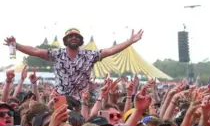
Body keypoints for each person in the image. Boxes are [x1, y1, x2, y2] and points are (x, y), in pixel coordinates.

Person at [4, 28, 144, 101]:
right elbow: (34, 51)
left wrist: (130, 41)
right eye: (70, 36)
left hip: (82, 101)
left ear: (80, 40)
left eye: (76, 36)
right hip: (59, 99)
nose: (73, 38)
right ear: (65, 41)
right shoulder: (57, 54)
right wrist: (16, 45)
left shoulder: (89, 56)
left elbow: (111, 50)